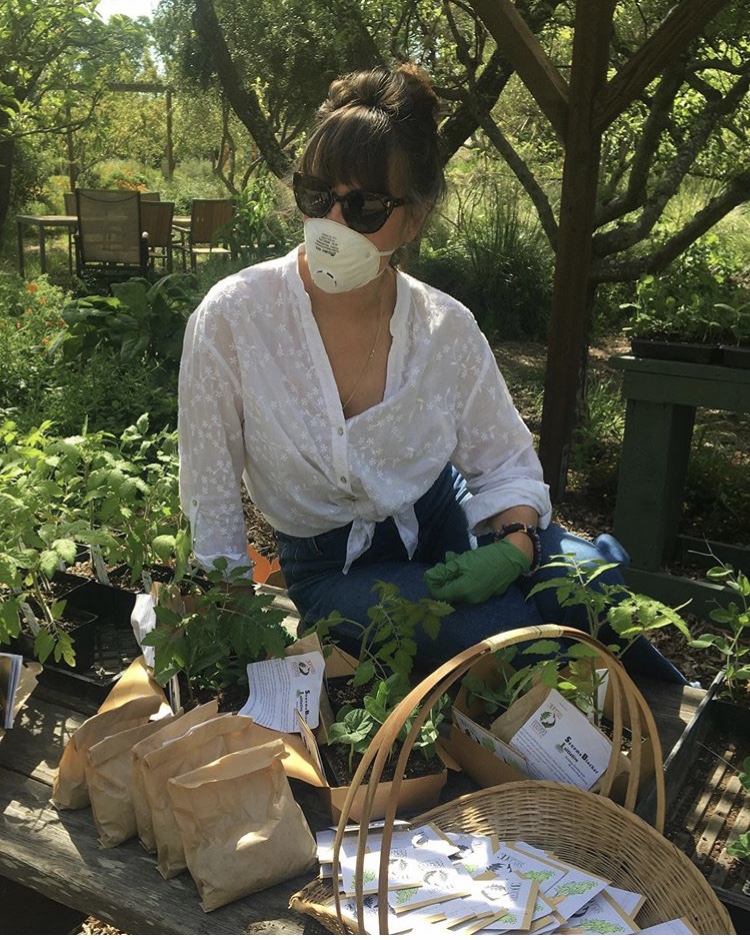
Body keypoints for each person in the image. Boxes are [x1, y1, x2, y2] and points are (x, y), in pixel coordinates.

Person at [178, 63, 684, 683]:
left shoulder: (445, 328)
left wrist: (516, 544)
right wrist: (230, 625)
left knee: (592, 586)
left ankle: (672, 724)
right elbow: (211, 496)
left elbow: (504, 462)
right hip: (336, 572)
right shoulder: (234, 319)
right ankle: (590, 737)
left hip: (447, 517)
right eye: (316, 195)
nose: (332, 224)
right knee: (503, 643)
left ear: (412, 219)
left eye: (363, 206)